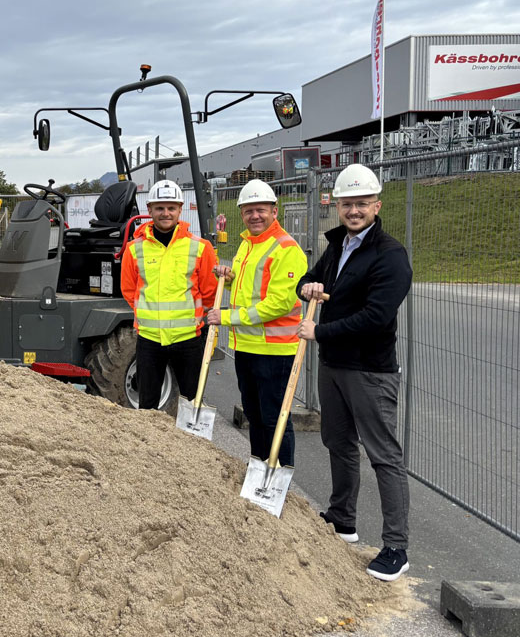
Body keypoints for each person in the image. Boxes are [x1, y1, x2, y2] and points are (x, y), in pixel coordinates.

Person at [297, 163, 412, 582]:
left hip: (369, 370)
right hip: (334, 365)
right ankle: (343, 519)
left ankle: (396, 547)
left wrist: (320, 331)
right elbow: (311, 279)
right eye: (347, 203)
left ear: (377, 206)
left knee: (384, 455)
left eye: (362, 203)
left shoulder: (390, 255)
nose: (354, 210)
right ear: (338, 206)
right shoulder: (338, 245)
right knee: (338, 442)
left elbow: (376, 317)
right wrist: (306, 287)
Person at [206, 180, 307, 466]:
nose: (255, 216)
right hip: (248, 346)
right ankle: (258, 467)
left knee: (275, 419)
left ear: (275, 211)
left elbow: (279, 304)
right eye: (248, 211)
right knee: (255, 415)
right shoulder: (248, 245)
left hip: (275, 350)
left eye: (261, 210)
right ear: (241, 213)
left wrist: (226, 317)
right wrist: (228, 279)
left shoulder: (286, 248)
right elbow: (248, 291)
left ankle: (278, 477)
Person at [120, 179, 218, 409]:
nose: (166, 213)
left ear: (180, 210)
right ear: (150, 209)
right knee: (147, 404)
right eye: (160, 208)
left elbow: (210, 291)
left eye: (171, 208)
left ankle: (189, 434)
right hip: (149, 339)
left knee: (192, 403)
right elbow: (129, 290)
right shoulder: (134, 249)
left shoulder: (200, 247)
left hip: (188, 339)